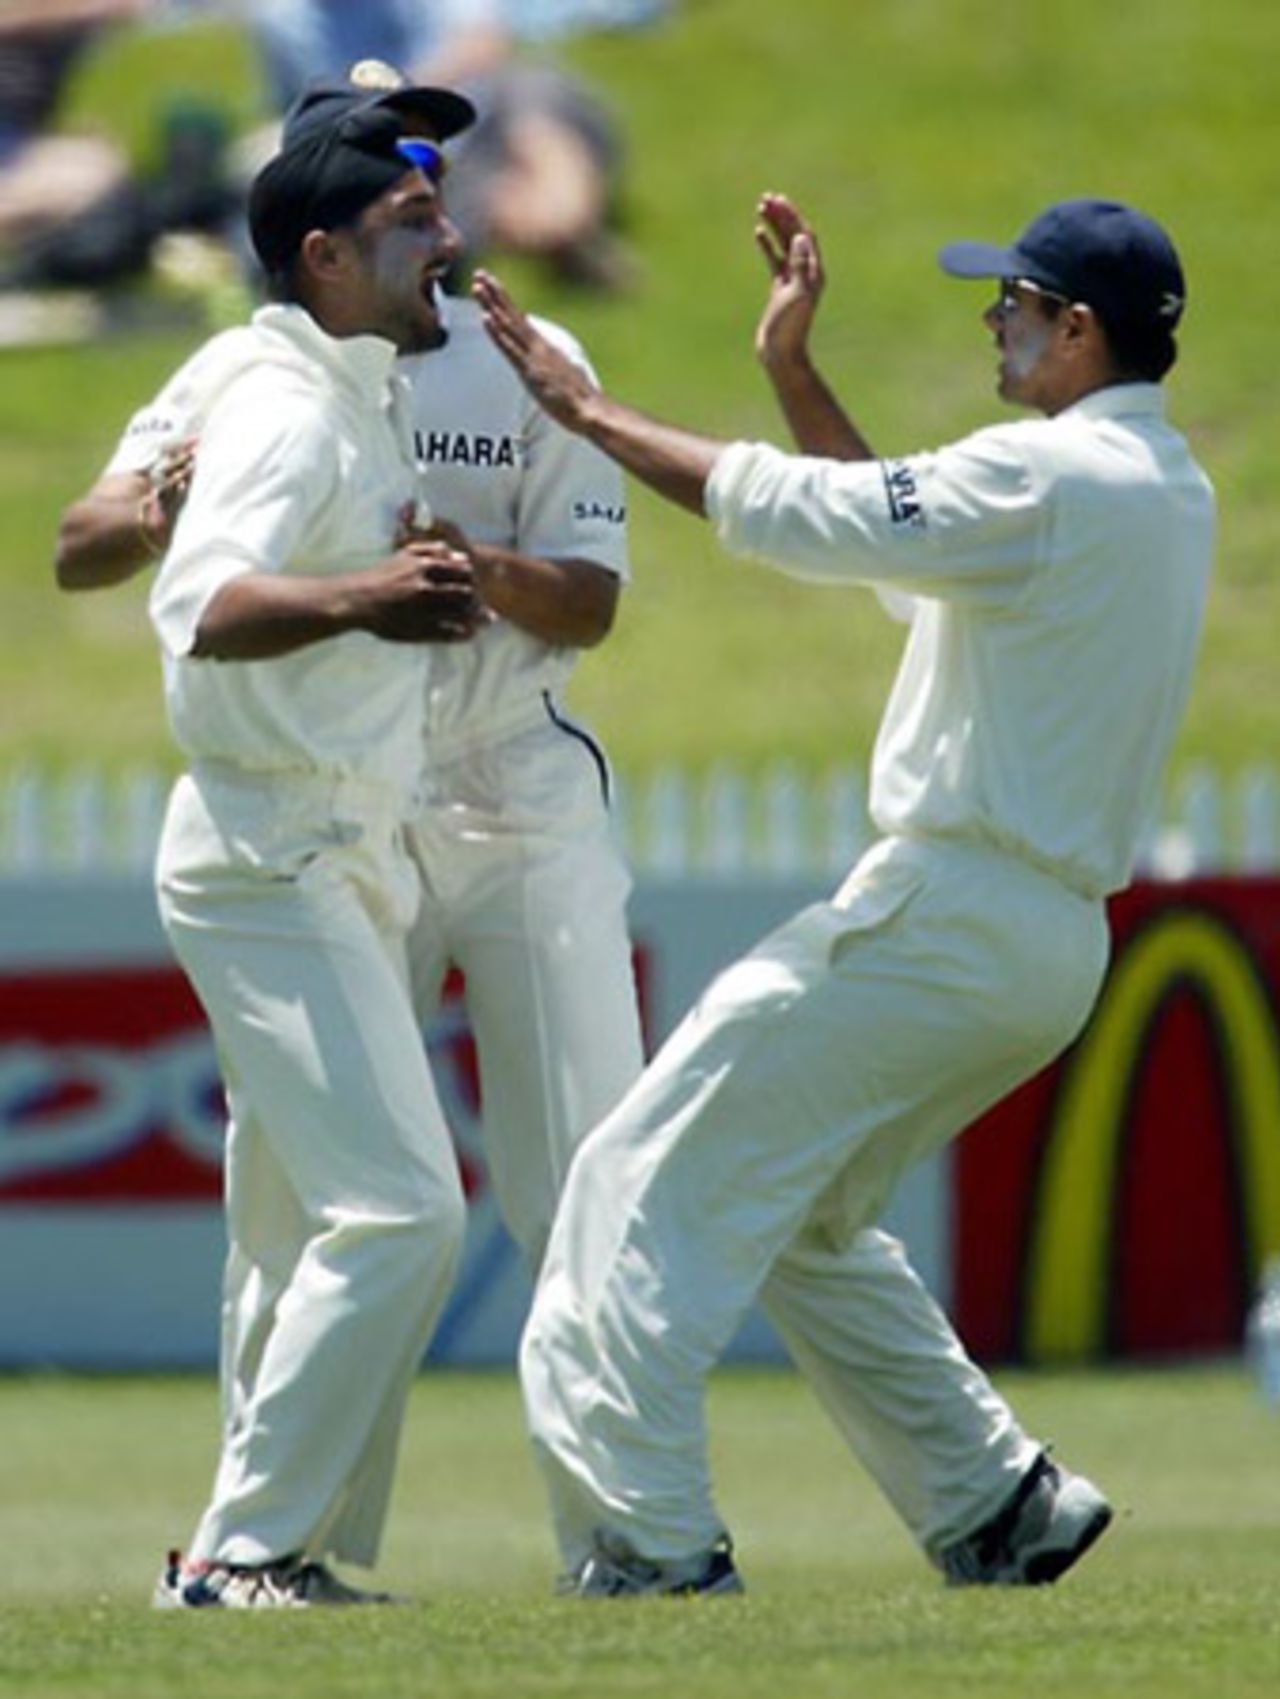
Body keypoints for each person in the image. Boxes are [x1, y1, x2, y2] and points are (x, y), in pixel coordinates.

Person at [471, 191, 1216, 1596]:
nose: (990, 317)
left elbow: (796, 513)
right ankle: (997, 1498)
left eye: (1013, 300)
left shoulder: (1052, 477)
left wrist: (584, 409)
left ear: (1078, 328)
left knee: (642, 1180)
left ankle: (651, 1541)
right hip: (1041, 941)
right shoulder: (1160, 487)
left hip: (951, 904)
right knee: (798, 1211)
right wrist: (795, 374)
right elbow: (892, 551)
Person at [134, 76, 499, 1609]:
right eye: (412, 221)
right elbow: (195, 607)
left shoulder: (354, 383)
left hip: (320, 846)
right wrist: (374, 596)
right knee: (407, 1211)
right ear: (324, 259)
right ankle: (239, 1554)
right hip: (270, 851)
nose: (450, 239)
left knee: (296, 1236)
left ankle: (262, 1549)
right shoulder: (285, 403)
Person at [229, 0, 631, 287]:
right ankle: (548, 232)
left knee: (537, 113)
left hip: (475, 115)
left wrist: (403, 97)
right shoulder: (280, 18)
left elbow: (486, 44)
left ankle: (567, 228)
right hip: (378, 152)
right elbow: (296, 109)